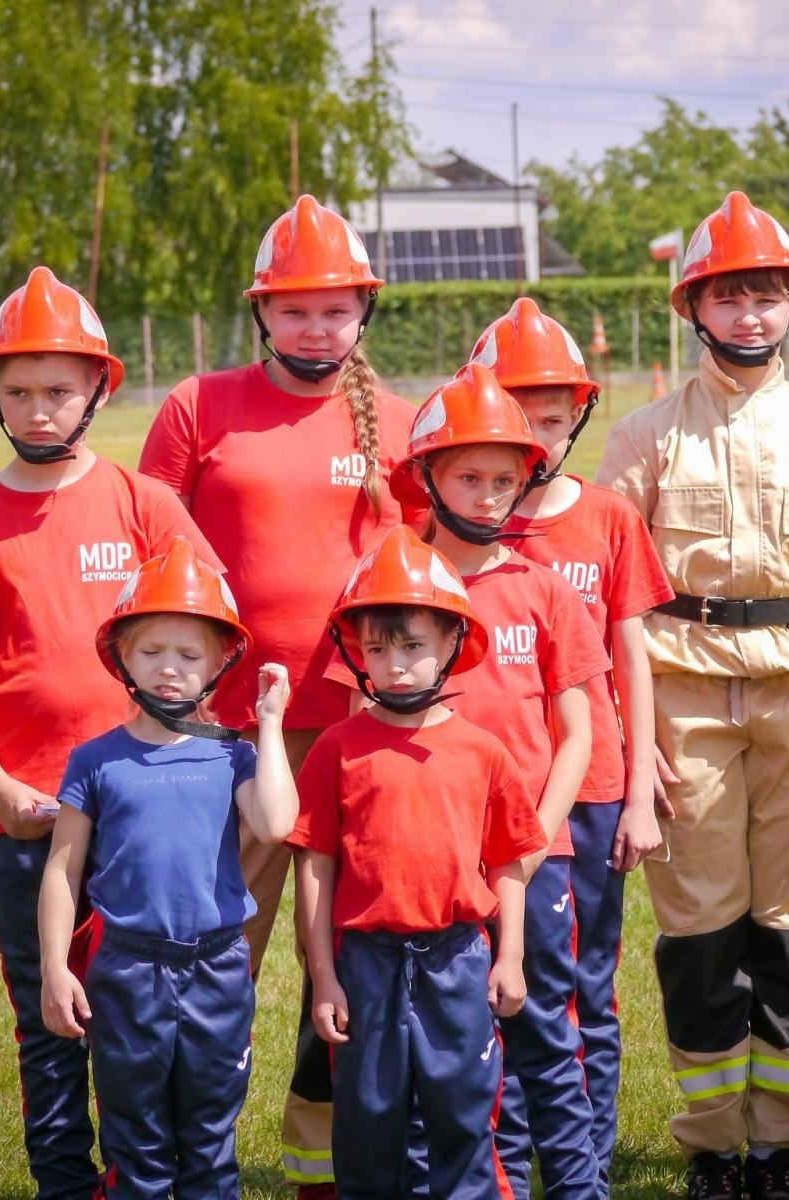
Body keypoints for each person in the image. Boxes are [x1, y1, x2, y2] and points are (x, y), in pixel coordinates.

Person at [595, 192, 789, 1200]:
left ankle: (779, 1147)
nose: (750, 315)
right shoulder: (642, 440)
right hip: (682, 699)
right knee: (698, 929)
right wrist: (633, 749)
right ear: (694, 308)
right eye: (729, 296)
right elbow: (611, 603)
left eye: (766, 295)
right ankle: (712, 1146)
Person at [0, 267, 217, 1200]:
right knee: (48, 1024)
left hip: (140, 821)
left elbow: (203, 652)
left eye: (60, 389)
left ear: (100, 389)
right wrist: (4, 793)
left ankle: (143, 1179)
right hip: (23, 823)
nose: (40, 410)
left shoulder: (146, 508)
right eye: (19, 392)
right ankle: (62, 1184)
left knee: (140, 1019)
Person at [137, 194, 415, 1194]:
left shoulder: (401, 420)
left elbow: (417, 582)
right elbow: (148, 556)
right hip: (224, 743)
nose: (316, 328)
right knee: (211, 958)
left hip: (359, 737)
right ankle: (185, 1164)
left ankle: (323, 1171)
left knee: (347, 969)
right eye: (295, 310)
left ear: (363, 315)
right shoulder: (197, 407)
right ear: (261, 313)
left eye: (335, 310)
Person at [385, 363, 609, 1199]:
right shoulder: (392, 586)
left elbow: (577, 732)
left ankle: (580, 1189)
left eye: (504, 480)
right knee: (443, 1048)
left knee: (547, 1038)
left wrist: (531, 840)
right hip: (427, 868)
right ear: (427, 478)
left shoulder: (545, 592)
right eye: (467, 477)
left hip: (533, 859)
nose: (487, 496)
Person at [474, 297, 674, 1194]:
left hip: (587, 788)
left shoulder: (606, 519)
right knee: (498, 985)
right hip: (480, 798)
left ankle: (584, 1164)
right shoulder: (457, 526)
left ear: (578, 417)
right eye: (517, 418)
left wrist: (636, 788)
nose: (537, 439)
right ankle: (506, 1164)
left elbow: (633, 654)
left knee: (587, 985)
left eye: (553, 419)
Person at [38, 537, 298, 1199]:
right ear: (122, 655)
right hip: (127, 973)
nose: (169, 669)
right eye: (152, 651)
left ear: (219, 663)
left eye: (189, 655)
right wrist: (53, 970)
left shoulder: (233, 757)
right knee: (138, 1147)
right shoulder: (96, 761)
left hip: (216, 970)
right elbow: (63, 873)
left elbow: (274, 824)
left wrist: (270, 727)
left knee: (210, 1147)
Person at [291, 524, 545, 1200]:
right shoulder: (335, 751)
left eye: (413, 646)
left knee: (463, 1124)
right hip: (366, 964)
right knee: (368, 1130)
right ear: (356, 653)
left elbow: (511, 864)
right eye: (378, 648)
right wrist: (324, 978)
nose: (395, 664)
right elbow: (313, 869)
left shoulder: (484, 751)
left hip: (457, 962)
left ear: (453, 646)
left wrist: (510, 957)